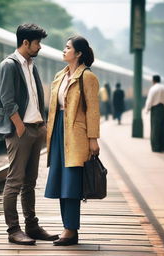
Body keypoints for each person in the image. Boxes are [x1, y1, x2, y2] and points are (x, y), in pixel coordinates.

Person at [0, 24, 58, 245]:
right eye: (37, 43)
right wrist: (19, 126)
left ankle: (32, 226)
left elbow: (37, 96)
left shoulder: (31, 65)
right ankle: (13, 229)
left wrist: (43, 123)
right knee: (15, 181)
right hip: (21, 131)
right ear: (25, 42)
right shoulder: (9, 65)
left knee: (30, 182)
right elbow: (7, 100)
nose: (40, 47)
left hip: (36, 128)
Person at [44, 36, 100, 246]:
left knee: (71, 182)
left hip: (76, 134)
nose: (64, 50)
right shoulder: (60, 75)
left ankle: (70, 229)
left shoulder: (87, 77)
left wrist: (93, 139)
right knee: (60, 181)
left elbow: (93, 111)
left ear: (78, 53)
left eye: (67, 48)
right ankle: (67, 228)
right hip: (58, 130)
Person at [145, 75, 164, 152]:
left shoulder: (153, 88)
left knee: (155, 129)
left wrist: (147, 109)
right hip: (163, 108)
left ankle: (156, 148)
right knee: (163, 128)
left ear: (153, 81)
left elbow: (150, 100)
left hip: (155, 109)